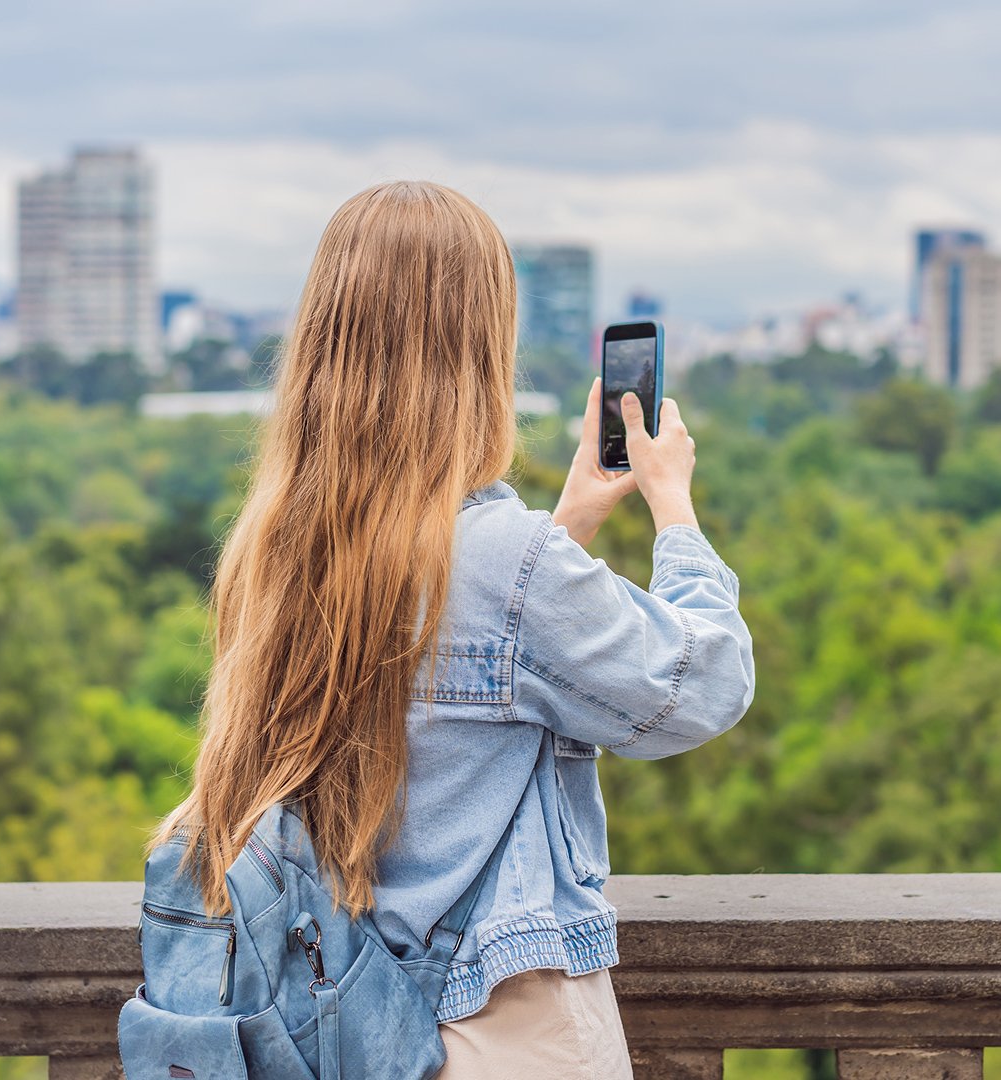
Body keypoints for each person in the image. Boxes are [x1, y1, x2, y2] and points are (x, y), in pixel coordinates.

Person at [156, 180, 755, 1078]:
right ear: (480, 350)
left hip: (341, 1029)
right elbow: (701, 683)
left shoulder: (273, 548)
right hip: (497, 1030)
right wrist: (675, 508)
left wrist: (566, 528)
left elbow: (435, 673)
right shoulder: (506, 565)